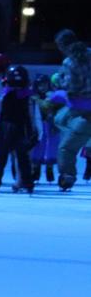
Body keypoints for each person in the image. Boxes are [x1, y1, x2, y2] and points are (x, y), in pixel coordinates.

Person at [52, 29, 91, 191]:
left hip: (83, 111)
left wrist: (59, 82)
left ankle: (68, 176)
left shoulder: (69, 62)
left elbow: (71, 87)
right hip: (80, 112)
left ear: (62, 45)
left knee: (66, 147)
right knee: (60, 118)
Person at [0, 65, 37, 194]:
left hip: (6, 128)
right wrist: (33, 131)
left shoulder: (5, 94)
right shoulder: (28, 95)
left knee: (2, 157)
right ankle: (28, 183)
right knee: (22, 158)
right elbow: (31, 115)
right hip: (21, 128)